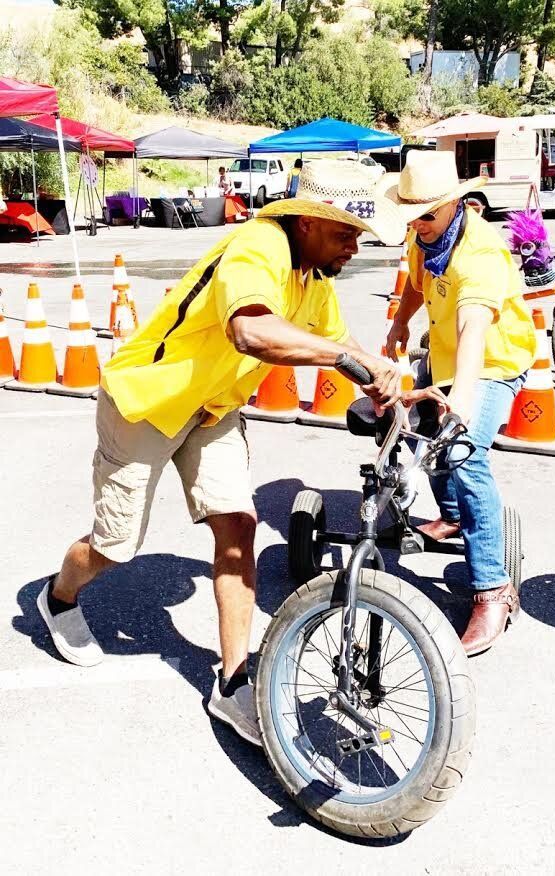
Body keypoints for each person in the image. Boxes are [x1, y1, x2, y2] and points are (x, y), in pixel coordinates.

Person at [37, 160, 408, 747]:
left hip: (212, 408)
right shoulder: (257, 246)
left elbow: (340, 344)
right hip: (149, 402)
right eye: (345, 233)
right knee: (114, 546)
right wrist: (343, 362)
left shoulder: (312, 278)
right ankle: (58, 597)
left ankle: (232, 684)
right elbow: (251, 332)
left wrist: (388, 381)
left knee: (238, 526)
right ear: (307, 222)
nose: (353, 247)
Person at [383, 151, 537, 656]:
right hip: (445, 359)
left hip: (493, 362)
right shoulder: (422, 235)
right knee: (425, 436)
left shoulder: (481, 255)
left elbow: (475, 328)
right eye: (412, 213)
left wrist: (463, 399)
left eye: (427, 213)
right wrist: (401, 320)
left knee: (464, 451)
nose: (419, 223)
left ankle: (493, 591)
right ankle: (452, 515)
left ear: (456, 204)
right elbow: (416, 280)